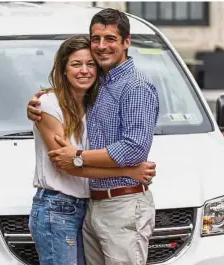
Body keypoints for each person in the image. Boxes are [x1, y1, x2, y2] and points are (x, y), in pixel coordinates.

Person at [27, 8, 160, 265]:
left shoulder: (135, 86)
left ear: (127, 42)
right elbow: (66, 161)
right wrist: (37, 104)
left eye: (110, 38)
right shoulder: (96, 90)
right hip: (90, 206)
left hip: (121, 205)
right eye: (96, 39)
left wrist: (78, 156)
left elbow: (133, 149)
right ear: (63, 69)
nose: (101, 46)